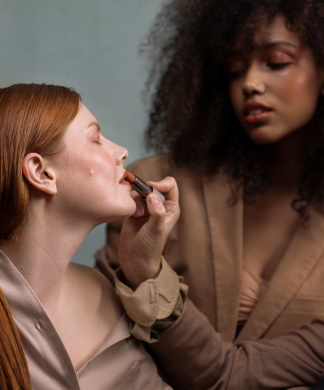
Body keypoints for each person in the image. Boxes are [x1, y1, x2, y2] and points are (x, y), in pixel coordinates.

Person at [96, 0, 324, 388]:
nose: (249, 83)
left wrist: (150, 278)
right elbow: (109, 348)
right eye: (235, 70)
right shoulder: (153, 190)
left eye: (276, 62)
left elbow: (227, 375)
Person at [0, 83, 179, 390]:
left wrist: (143, 266)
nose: (122, 153)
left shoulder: (103, 291)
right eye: (96, 139)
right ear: (42, 174)